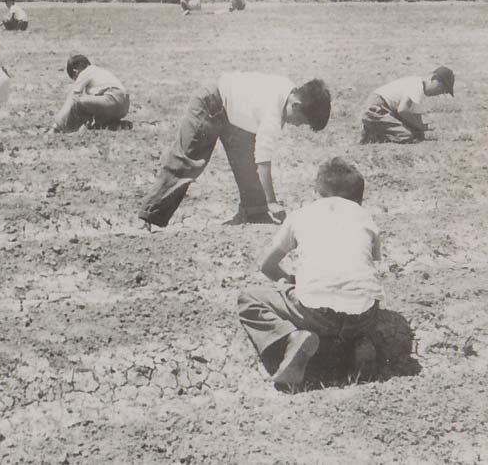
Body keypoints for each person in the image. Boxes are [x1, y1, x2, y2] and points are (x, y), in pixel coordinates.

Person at [238, 157, 383, 387]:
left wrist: (290, 283)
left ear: (317, 192)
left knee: (249, 298)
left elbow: (267, 266)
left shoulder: (301, 214)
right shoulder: (365, 216)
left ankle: (292, 337)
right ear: (359, 199)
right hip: (364, 315)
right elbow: (370, 263)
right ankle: (359, 342)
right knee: (359, 297)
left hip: (316, 313)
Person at [138, 72, 331, 229]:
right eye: (301, 121)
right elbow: (263, 161)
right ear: (296, 105)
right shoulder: (272, 113)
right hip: (210, 103)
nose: (297, 125)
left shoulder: (289, 91)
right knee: (188, 160)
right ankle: (149, 216)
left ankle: (255, 212)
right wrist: (272, 201)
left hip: (234, 115)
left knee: (246, 163)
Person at [360, 66, 455, 144]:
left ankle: (374, 129)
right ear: (433, 78)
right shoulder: (417, 85)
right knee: (406, 135)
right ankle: (372, 135)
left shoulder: (419, 89)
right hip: (376, 108)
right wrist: (421, 127)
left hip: (385, 108)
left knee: (417, 134)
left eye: (445, 92)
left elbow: (413, 115)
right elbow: (403, 110)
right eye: (441, 88)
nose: (440, 92)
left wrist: (423, 128)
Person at [51, 54, 130, 133]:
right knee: (95, 122)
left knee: (76, 101)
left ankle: (57, 129)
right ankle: (115, 125)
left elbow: (74, 96)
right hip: (124, 105)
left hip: (112, 99)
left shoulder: (86, 72)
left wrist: (57, 125)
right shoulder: (99, 71)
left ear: (75, 70)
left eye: (75, 78)